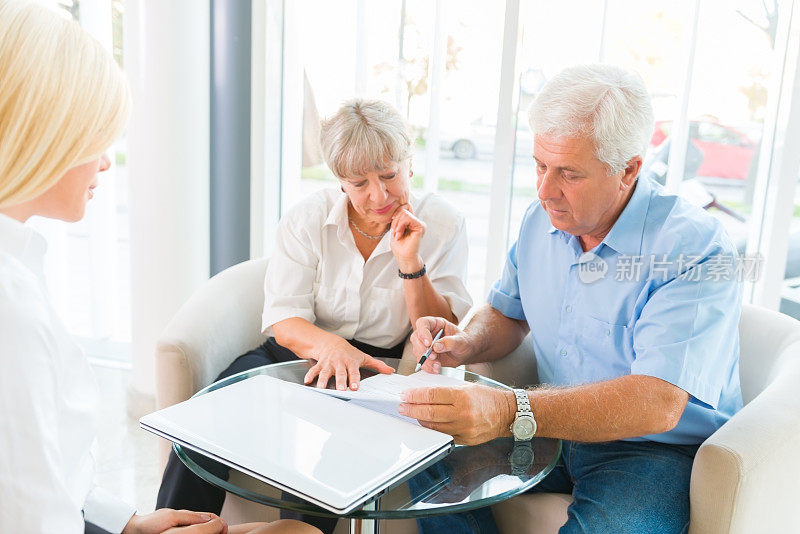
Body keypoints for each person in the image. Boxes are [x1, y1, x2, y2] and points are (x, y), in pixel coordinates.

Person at [0, 2, 321, 534]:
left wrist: (125, 521)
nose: (106, 160)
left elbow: (38, 481)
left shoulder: (20, 267)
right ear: (43, 134)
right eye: (95, 137)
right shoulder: (11, 314)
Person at [402, 64, 742, 533]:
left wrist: (508, 411)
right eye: (540, 165)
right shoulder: (539, 221)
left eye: (568, 174)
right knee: (425, 464)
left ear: (628, 171)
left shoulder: (695, 248)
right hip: (550, 426)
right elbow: (506, 313)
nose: (544, 191)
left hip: (651, 447)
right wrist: (467, 341)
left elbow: (657, 403)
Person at [157, 99, 474, 532]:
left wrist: (409, 262)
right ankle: (168, 528)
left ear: (410, 164)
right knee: (205, 423)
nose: (378, 196)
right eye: (359, 182)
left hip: (377, 370)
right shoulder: (307, 219)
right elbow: (285, 319)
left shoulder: (444, 223)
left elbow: (436, 331)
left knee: (317, 469)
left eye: (389, 176)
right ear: (339, 181)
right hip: (296, 350)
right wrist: (331, 347)